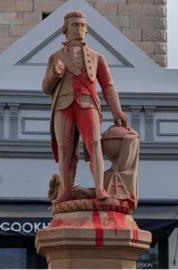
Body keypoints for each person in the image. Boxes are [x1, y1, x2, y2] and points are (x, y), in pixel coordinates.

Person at [42, 10, 128, 203]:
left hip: (88, 103)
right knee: (65, 149)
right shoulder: (55, 57)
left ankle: (100, 189)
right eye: (75, 25)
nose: (79, 29)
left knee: (95, 144)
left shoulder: (97, 57)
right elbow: (46, 88)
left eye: (82, 25)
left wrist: (117, 111)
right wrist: (54, 74)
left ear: (86, 30)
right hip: (63, 106)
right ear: (65, 29)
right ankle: (65, 190)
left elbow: (108, 86)